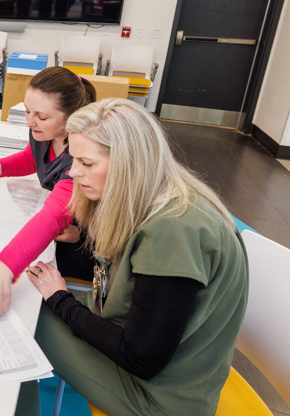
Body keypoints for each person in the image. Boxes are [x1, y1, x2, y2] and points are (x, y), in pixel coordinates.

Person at [28, 98, 248, 416]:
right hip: (153, 360)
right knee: (33, 295)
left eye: (86, 163)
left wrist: (61, 300)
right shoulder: (153, 194)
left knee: (23, 316)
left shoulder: (173, 229)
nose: (73, 172)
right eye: (73, 159)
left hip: (159, 397)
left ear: (129, 163)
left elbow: (140, 358)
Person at [0, 66, 97, 320]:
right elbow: (33, 158)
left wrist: (3, 268)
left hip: (88, 243)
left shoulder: (80, 156)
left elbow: (53, 215)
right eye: (27, 111)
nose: (29, 121)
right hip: (66, 228)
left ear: (72, 117)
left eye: (41, 116)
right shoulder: (44, 132)